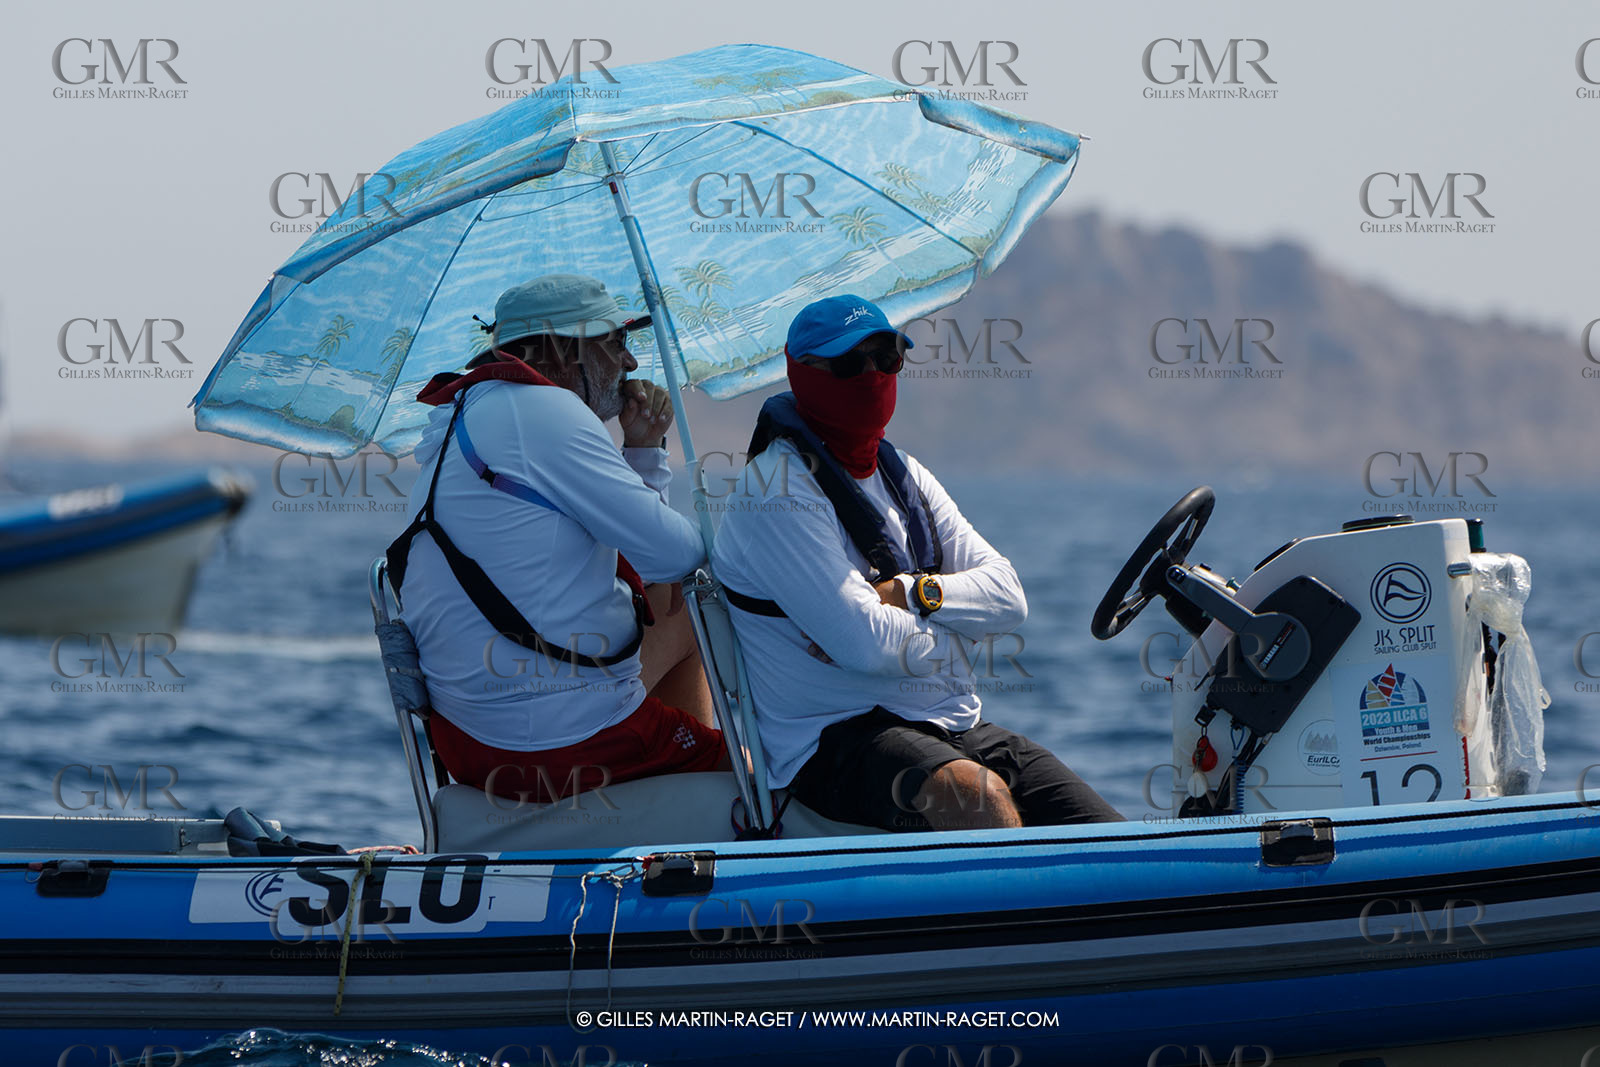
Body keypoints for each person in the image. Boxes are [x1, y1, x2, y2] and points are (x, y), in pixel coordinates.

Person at [711, 295, 1123, 831]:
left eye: (886, 357)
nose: (872, 375)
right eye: (849, 363)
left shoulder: (905, 473)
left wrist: (912, 593)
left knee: (1110, 835)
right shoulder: (776, 489)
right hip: (833, 741)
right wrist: (960, 638)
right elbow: (866, 645)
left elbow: (1008, 598)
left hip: (952, 725)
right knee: (977, 799)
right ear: (803, 374)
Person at [388, 273, 727, 806]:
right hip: (555, 744)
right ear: (567, 352)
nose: (630, 362)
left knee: (673, 605)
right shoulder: (545, 411)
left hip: (465, 743)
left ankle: (669, 786)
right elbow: (679, 554)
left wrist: (642, 449)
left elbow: (654, 569)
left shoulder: (461, 415)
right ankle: (688, 792)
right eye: (616, 342)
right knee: (758, 782)